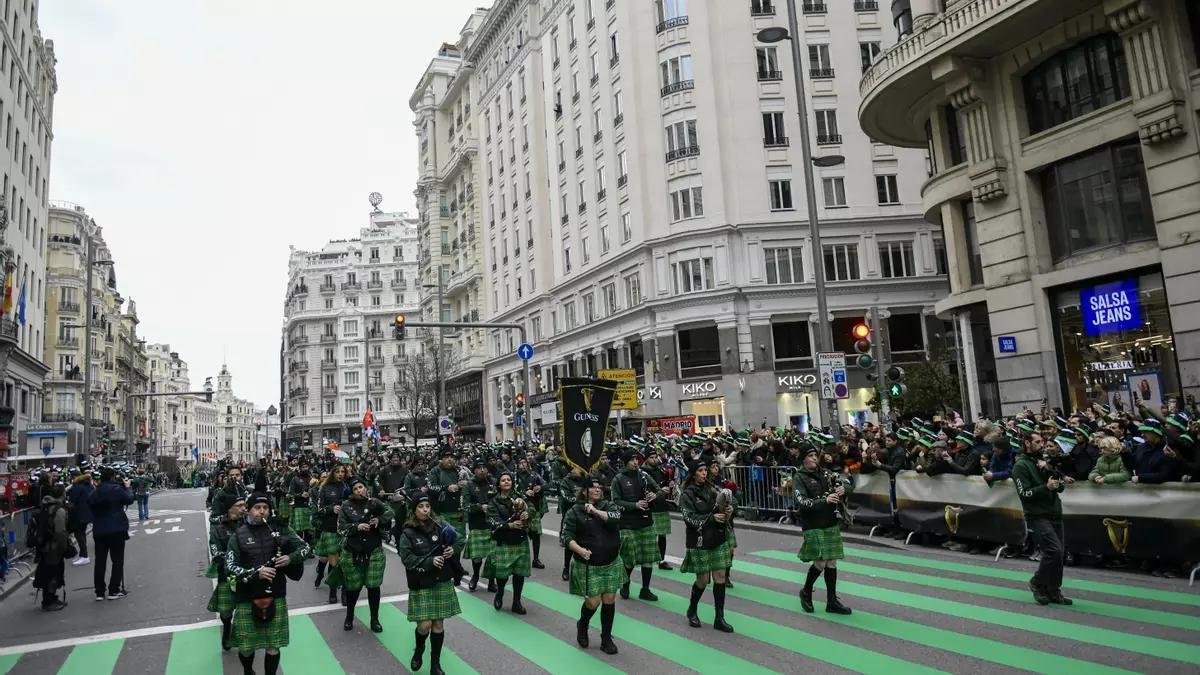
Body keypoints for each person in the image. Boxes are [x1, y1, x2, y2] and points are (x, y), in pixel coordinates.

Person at [225, 479, 311, 675]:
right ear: (248, 510)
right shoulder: (237, 536)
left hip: (276, 594)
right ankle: (248, 671)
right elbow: (229, 567)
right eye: (257, 507)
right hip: (247, 596)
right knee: (246, 648)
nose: (261, 511)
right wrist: (256, 573)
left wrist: (291, 558)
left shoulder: (280, 529)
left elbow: (306, 547)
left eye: (265, 507)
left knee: (274, 645)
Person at [399, 494, 462, 675]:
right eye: (421, 506)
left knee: (438, 624)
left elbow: (458, 540)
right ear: (414, 510)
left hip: (441, 580)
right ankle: (419, 651)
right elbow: (407, 559)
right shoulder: (408, 532)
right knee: (424, 625)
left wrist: (452, 549)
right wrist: (429, 562)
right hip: (421, 582)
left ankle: (435, 664)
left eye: (427, 506)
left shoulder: (440, 524)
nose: (425, 509)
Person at [560, 477, 623, 655]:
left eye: (599, 487)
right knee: (593, 601)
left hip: (610, 561)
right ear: (584, 491)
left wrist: (595, 511)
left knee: (609, 599)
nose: (597, 490)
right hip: (588, 564)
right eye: (592, 487)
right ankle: (583, 624)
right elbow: (566, 537)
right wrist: (579, 550)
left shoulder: (607, 506)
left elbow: (615, 518)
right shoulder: (574, 511)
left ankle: (606, 638)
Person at [793, 447, 853, 615]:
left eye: (815, 456)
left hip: (830, 521)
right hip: (812, 524)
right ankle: (806, 591)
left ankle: (832, 601)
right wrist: (823, 500)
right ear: (804, 459)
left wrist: (844, 489)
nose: (814, 458)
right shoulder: (799, 477)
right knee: (820, 562)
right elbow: (801, 501)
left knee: (832, 561)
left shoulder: (826, 473)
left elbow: (847, 484)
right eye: (810, 456)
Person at [1012, 433, 1071, 605]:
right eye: (1037, 442)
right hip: (1037, 514)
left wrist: (1053, 477)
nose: (1042, 444)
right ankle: (1037, 582)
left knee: (1059, 553)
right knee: (1054, 550)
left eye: (1042, 442)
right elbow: (1024, 494)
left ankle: (1053, 589)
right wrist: (1046, 487)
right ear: (1027, 443)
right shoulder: (1021, 466)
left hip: (1054, 511)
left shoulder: (1046, 462)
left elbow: (1060, 487)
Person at [679, 460, 734, 632]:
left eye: (705, 470)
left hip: (718, 539)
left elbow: (727, 504)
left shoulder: (713, 488)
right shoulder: (687, 495)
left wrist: (730, 510)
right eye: (701, 470)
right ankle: (692, 609)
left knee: (720, 577)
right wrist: (711, 519)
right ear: (694, 473)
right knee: (702, 580)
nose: (704, 473)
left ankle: (719, 618)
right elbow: (689, 519)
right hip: (699, 540)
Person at [337, 477, 392, 632]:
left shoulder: (374, 502)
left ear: (366, 488)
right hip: (352, 551)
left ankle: (374, 619)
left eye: (361, 487)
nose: (359, 490)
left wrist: (379, 520)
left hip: (374, 550)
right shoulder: (346, 506)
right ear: (352, 492)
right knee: (353, 588)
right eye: (355, 489)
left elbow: (390, 512)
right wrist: (356, 526)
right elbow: (341, 528)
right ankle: (349, 616)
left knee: (373, 587)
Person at [610, 449, 666, 602]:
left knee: (648, 559)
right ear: (625, 461)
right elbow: (615, 502)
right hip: (627, 524)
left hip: (646, 522)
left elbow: (660, 492)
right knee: (629, 559)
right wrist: (634, 505)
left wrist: (655, 495)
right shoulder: (618, 479)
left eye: (637, 459)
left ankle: (645, 589)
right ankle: (625, 584)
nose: (636, 462)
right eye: (632, 460)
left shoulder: (644, 475)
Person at [485, 471, 531, 614]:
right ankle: (500, 593)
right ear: (499, 484)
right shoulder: (493, 501)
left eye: (509, 479)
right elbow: (492, 521)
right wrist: (509, 526)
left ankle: (516, 602)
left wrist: (527, 513)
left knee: (519, 574)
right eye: (503, 480)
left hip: (520, 540)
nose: (506, 482)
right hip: (503, 541)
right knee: (502, 574)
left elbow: (532, 508)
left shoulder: (520, 497)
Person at [208, 487, 247, 650]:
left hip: (248, 575)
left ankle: (243, 637)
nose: (243, 508)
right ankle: (227, 628)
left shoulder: (249, 526)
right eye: (239, 505)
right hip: (228, 575)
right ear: (230, 508)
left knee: (245, 610)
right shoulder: (219, 530)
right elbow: (215, 552)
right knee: (226, 612)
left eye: (244, 505)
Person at [88, 466, 134, 601]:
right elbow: (129, 499)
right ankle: (114, 589)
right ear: (112, 477)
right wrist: (127, 487)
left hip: (100, 529)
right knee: (117, 560)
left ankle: (99, 592)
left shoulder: (96, 492)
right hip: (116, 528)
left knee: (100, 561)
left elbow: (89, 502)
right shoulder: (116, 490)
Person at [32, 483, 71, 611]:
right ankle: (49, 600)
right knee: (54, 573)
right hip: (53, 547)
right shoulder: (58, 510)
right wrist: (64, 547)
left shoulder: (45, 506)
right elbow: (60, 532)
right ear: (61, 495)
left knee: (48, 572)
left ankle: (50, 598)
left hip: (44, 545)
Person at [313, 463, 349, 603]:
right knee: (330, 561)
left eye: (343, 472)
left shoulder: (348, 488)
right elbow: (319, 509)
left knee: (345, 563)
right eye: (338, 472)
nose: (340, 474)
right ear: (333, 473)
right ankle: (331, 590)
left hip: (345, 529)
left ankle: (345, 593)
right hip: (330, 528)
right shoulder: (324, 488)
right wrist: (331, 509)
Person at [464, 460, 497, 592]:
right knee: (477, 557)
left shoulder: (493, 482)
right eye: (479, 468)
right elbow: (465, 506)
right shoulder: (469, 485)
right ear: (474, 470)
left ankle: (491, 581)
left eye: (484, 467)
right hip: (477, 525)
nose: (482, 470)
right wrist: (479, 507)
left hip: (493, 525)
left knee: (493, 557)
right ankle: (475, 576)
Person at [641, 451, 675, 570]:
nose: (654, 460)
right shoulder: (642, 473)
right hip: (650, 507)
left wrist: (669, 485)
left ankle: (662, 560)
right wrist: (658, 492)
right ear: (646, 459)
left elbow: (664, 484)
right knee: (650, 536)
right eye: (651, 457)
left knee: (662, 535)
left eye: (656, 457)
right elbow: (644, 489)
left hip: (661, 505)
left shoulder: (660, 470)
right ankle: (647, 560)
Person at [514, 457, 547, 569]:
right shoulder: (514, 476)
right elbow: (512, 491)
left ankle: (536, 559)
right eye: (520, 462)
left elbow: (547, 484)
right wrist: (524, 493)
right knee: (520, 534)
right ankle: (520, 558)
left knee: (536, 534)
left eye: (524, 462)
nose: (523, 465)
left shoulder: (535, 475)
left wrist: (540, 487)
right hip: (518, 509)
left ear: (528, 464)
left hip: (534, 508)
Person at [66, 465, 95, 566]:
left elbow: (72, 501)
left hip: (79, 514)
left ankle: (84, 556)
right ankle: (83, 555)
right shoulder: (88, 485)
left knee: (80, 535)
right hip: (87, 513)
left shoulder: (77, 487)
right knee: (81, 534)